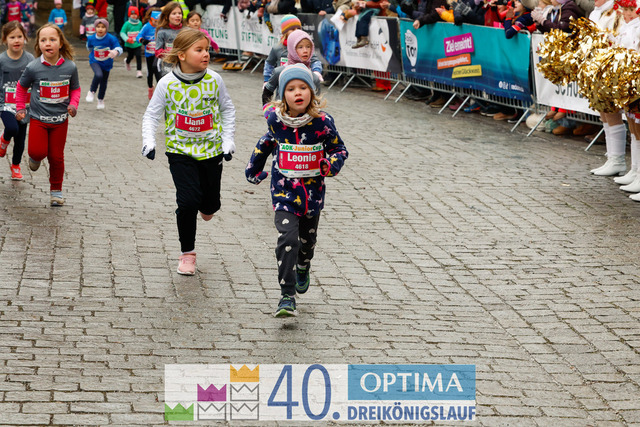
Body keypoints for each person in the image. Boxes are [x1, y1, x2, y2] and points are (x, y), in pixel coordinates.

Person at [246, 63, 348, 318]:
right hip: (284, 193)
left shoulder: (322, 122)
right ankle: (287, 296)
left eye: (303, 87)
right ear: (283, 95)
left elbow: (339, 149)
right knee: (288, 240)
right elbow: (265, 143)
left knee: (306, 242)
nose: (297, 92)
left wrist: (330, 165)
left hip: (312, 196)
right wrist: (253, 170)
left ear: (312, 92)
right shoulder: (276, 120)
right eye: (291, 89)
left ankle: (304, 264)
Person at [141, 28, 236, 275]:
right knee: (187, 202)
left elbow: (227, 109)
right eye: (199, 50)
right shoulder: (167, 83)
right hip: (180, 152)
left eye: (207, 49)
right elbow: (151, 115)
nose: (206, 54)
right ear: (182, 55)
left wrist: (228, 141)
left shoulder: (214, 80)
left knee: (210, 204)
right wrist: (149, 141)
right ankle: (187, 254)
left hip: (211, 151)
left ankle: (209, 206)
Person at [15, 23, 80, 206]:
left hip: (60, 121)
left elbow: (75, 89)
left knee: (56, 157)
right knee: (38, 152)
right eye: (43, 40)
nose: (48, 43)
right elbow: (21, 87)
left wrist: (73, 105)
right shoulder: (33, 67)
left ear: (61, 43)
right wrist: (20, 108)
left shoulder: (70, 67)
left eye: (52, 39)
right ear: (39, 45)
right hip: (38, 120)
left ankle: (56, 192)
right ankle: (35, 158)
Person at [597, 0, 640, 180]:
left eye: (631, 10)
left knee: (637, 125)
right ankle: (635, 170)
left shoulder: (636, 28)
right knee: (633, 124)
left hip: (635, 79)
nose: (627, 13)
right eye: (625, 9)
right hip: (627, 79)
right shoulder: (628, 27)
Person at [0, 21, 34, 181]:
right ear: (5, 39)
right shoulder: (2, 60)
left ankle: (15, 166)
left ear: (25, 38)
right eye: (12, 37)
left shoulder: (30, 59)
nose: (16, 40)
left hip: (24, 105)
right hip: (5, 104)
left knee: (20, 139)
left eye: (20, 36)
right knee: (12, 128)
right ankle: (4, 140)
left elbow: (35, 80)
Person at [262, 29, 322, 106]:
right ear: (292, 48)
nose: (305, 50)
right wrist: (268, 110)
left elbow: (317, 102)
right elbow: (267, 91)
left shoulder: (313, 76)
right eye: (300, 47)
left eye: (308, 47)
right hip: (282, 111)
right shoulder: (279, 72)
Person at [263, 16, 322, 86]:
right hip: (283, 85)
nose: (296, 31)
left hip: (303, 83)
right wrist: (267, 80)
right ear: (285, 32)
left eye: (298, 28)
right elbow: (269, 63)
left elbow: (315, 61)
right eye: (293, 29)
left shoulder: (304, 46)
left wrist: (316, 71)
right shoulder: (277, 48)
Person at [85, 18, 122, 109]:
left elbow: (119, 47)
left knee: (103, 82)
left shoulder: (111, 38)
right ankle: (91, 91)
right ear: (95, 28)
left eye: (103, 27)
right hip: (95, 61)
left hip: (107, 63)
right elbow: (89, 47)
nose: (100, 29)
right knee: (98, 75)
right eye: (98, 27)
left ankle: (100, 99)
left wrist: (115, 51)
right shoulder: (91, 38)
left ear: (106, 28)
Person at [137, 8, 161, 99]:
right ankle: (150, 88)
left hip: (158, 54)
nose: (157, 24)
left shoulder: (161, 27)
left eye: (159, 21)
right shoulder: (147, 26)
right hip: (149, 53)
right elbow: (138, 36)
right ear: (151, 19)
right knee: (150, 72)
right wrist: (142, 40)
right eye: (155, 21)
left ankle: (160, 91)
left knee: (157, 70)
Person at [155, 1, 183, 78]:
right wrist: (171, 52)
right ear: (167, 16)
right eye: (174, 14)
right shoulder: (162, 32)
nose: (178, 16)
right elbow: (157, 52)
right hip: (167, 67)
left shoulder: (186, 30)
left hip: (183, 66)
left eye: (179, 13)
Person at [120, 5, 143, 78]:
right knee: (131, 56)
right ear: (129, 15)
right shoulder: (127, 24)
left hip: (137, 43)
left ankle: (139, 71)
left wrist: (141, 38)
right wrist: (127, 39)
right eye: (132, 14)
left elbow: (141, 32)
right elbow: (122, 32)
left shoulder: (140, 23)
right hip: (129, 44)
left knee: (138, 56)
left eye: (135, 14)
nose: (134, 16)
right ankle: (127, 61)